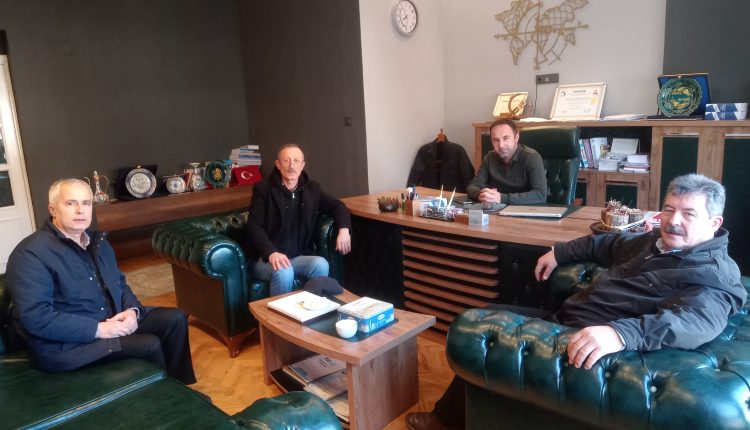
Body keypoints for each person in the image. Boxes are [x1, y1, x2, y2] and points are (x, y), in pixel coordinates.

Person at [406, 173, 746, 430]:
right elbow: (608, 244)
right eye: (669, 209)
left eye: (689, 214)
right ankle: (453, 417)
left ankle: (442, 422)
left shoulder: (713, 273)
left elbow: (692, 322)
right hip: (567, 317)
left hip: (590, 342)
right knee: (487, 313)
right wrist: (559, 252)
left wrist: (621, 334)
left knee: (482, 332)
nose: (673, 221)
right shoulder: (657, 242)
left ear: (714, 223)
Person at [7, 179, 196, 384]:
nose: (80, 210)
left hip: (111, 318)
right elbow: (36, 317)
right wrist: (99, 329)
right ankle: (162, 397)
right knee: (148, 344)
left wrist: (132, 311)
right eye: (70, 203)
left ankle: (182, 388)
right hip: (68, 344)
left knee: (175, 319)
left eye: (86, 203)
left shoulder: (98, 243)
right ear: (52, 209)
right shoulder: (30, 254)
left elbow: (119, 283)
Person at [246, 143, 352, 296]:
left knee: (320, 264)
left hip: (296, 257)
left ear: (302, 165)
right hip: (265, 258)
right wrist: (271, 252)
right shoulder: (263, 189)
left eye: (296, 161)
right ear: (278, 164)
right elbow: (254, 226)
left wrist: (344, 229)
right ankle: (280, 312)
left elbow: (337, 205)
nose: (292, 166)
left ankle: (312, 307)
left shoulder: (312, 189)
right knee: (284, 271)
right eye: (286, 160)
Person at [465, 118, 547, 205]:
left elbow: (540, 195)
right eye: (496, 140)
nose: (501, 145)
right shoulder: (489, 157)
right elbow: (473, 186)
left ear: (516, 137)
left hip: (524, 209)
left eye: (506, 138)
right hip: (496, 209)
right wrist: (481, 195)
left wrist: (501, 198)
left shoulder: (532, 157)